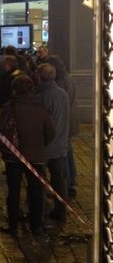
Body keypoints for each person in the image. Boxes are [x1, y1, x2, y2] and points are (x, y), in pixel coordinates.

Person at [0, 75, 55, 236]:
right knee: (36, 192)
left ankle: (13, 224)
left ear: (14, 89)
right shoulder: (40, 108)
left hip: (13, 156)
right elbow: (50, 133)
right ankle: (36, 225)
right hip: (36, 156)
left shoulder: (10, 107)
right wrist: (39, 145)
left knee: (13, 191)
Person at [35, 62, 70, 222]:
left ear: (39, 77)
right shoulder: (63, 94)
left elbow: (39, 124)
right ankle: (61, 209)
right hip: (61, 144)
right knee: (59, 180)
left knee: (39, 181)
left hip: (45, 146)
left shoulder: (41, 97)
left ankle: (39, 210)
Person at [45, 55, 79, 197]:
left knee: (63, 155)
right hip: (70, 121)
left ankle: (66, 183)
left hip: (63, 122)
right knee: (68, 151)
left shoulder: (60, 83)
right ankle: (72, 181)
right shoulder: (69, 78)